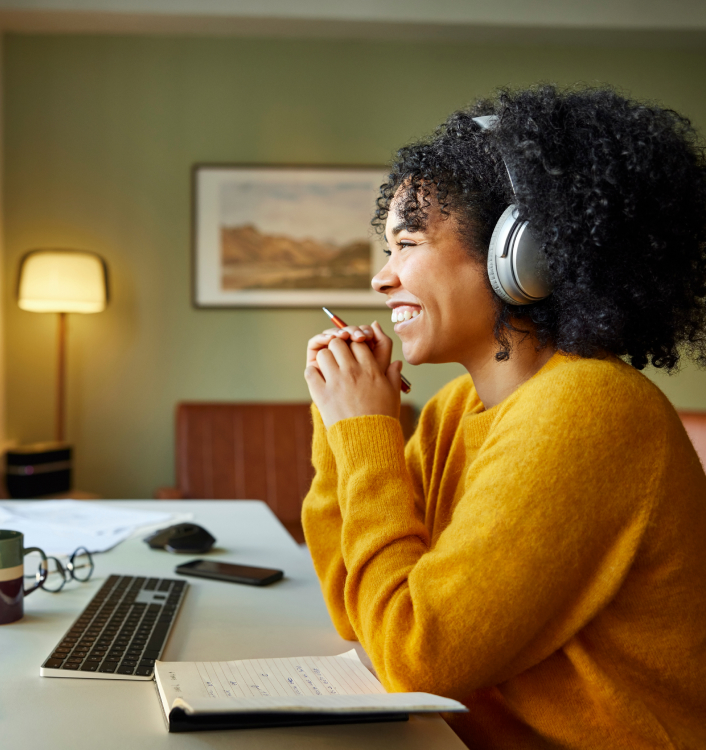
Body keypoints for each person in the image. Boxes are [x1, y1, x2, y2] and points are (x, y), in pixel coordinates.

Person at [301, 86, 706, 750]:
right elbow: (358, 608)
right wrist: (339, 425)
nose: (380, 277)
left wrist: (366, 433)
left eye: (407, 245)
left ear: (521, 255)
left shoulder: (589, 408)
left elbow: (413, 656)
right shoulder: (456, 409)